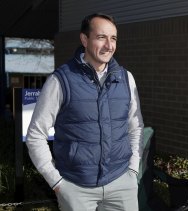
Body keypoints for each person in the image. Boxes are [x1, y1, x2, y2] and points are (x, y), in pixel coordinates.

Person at [26, 13, 144, 211]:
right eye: (101, 37)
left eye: (113, 38)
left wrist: (132, 170)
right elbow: (35, 135)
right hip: (76, 188)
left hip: (122, 183)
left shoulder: (126, 78)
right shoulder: (60, 80)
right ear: (84, 39)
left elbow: (136, 127)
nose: (109, 45)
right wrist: (57, 183)